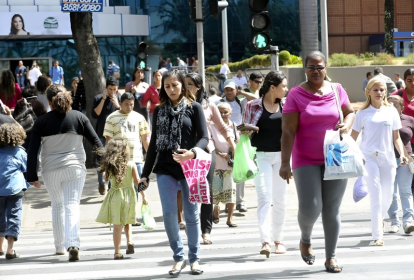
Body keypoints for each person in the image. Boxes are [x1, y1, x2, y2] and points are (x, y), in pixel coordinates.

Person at [280, 51, 355, 273]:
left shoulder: (336, 89)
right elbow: (288, 130)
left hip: (335, 155)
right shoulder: (296, 94)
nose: (316, 71)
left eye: (320, 67)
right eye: (311, 67)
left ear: (325, 68)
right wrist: (285, 162)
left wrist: (348, 125)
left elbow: (350, 112)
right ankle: (305, 238)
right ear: (305, 68)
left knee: (332, 209)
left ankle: (331, 257)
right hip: (305, 158)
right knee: (311, 207)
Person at [140, 69, 208, 276]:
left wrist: (192, 153)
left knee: (191, 215)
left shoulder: (194, 108)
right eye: (167, 86)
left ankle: (194, 258)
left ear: (183, 86)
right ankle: (178, 257)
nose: (171, 89)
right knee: (169, 215)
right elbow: (153, 146)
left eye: (175, 85)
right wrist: (145, 174)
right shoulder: (159, 110)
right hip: (165, 169)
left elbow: (204, 138)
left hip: (190, 167)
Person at [27, 85, 103, 261]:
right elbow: (97, 144)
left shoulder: (42, 122)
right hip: (75, 168)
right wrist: (107, 166)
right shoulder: (79, 117)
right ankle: (73, 244)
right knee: (72, 205)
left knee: (57, 205)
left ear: (48, 101)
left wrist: (31, 175)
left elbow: (33, 150)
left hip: (51, 170)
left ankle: (60, 246)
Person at [351, 77, 407, 247]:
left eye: (382, 90)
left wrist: (402, 154)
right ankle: (377, 235)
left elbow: (396, 137)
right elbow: (353, 138)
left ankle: (379, 221)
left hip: (388, 158)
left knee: (388, 197)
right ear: (368, 92)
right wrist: (353, 156)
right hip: (369, 158)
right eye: (375, 90)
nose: (379, 93)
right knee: (375, 195)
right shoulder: (361, 113)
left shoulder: (391, 112)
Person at [185, 72, 236, 244]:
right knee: (188, 190)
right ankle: (190, 224)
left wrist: (233, 145)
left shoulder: (209, 106)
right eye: (184, 84)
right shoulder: (178, 105)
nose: (187, 88)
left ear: (199, 87)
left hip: (207, 151)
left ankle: (206, 231)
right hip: (185, 153)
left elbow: (222, 128)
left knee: (206, 190)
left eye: (190, 84)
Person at [243, 71, 289, 257]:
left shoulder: (287, 106)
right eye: (283, 86)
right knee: (264, 198)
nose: (286, 89)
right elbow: (244, 131)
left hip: (282, 158)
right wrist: (248, 130)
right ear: (272, 87)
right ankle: (266, 241)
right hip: (260, 156)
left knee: (280, 201)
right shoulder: (253, 105)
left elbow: (293, 131)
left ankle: (278, 239)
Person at [96, 138, 147, 259]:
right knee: (127, 221)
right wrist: (144, 196)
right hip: (129, 197)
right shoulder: (131, 164)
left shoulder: (110, 166)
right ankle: (129, 241)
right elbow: (137, 182)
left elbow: (105, 178)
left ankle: (117, 252)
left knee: (117, 226)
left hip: (115, 197)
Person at [103, 92, 150, 225]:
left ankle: (131, 217)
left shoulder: (139, 118)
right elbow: (108, 140)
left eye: (132, 104)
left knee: (135, 187)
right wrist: (108, 160)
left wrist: (152, 157)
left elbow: (145, 139)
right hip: (117, 159)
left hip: (136, 158)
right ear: (121, 103)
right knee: (116, 187)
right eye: (126, 104)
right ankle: (116, 215)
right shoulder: (112, 118)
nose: (129, 107)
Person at [0, 122, 33, 260]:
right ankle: (10, 249)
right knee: (14, 217)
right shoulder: (20, 152)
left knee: (0, 218)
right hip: (15, 189)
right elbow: (28, 169)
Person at [217, 79, 248, 213]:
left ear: (236, 89)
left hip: (239, 139)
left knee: (239, 172)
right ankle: (227, 202)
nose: (229, 92)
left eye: (232, 89)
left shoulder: (241, 102)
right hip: (222, 140)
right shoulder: (218, 103)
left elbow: (256, 98)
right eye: (227, 89)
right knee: (224, 172)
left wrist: (240, 92)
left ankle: (240, 201)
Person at [386, 95, 414, 234]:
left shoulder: (409, 120)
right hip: (387, 160)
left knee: (405, 190)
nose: (391, 107)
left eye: (395, 105)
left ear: (402, 108)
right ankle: (394, 221)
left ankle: (408, 221)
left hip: (406, 159)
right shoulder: (382, 120)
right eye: (389, 104)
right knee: (391, 192)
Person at [211, 102, 238, 228]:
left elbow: (238, 144)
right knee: (216, 192)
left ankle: (230, 218)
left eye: (225, 112)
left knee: (231, 192)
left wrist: (232, 154)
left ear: (230, 113)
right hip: (216, 164)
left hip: (230, 165)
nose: (222, 114)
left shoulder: (234, 126)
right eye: (220, 112)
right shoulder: (211, 126)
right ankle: (216, 210)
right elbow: (208, 144)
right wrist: (221, 154)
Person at [92, 77, 121, 195]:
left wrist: (117, 105)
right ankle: (101, 181)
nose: (112, 92)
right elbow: (95, 114)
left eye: (114, 89)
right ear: (106, 88)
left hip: (115, 134)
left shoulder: (119, 98)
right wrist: (104, 99)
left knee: (114, 160)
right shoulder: (98, 98)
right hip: (101, 133)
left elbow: (124, 114)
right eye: (110, 89)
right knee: (101, 159)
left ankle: (110, 185)